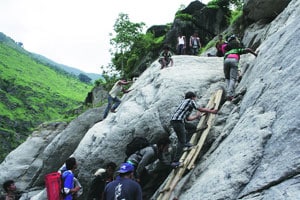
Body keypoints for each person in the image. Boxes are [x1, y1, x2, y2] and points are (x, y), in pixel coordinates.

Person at [170, 91, 218, 167]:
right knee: (181, 141)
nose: (195, 99)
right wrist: (211, 111)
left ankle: (186, 143)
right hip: (178, 122)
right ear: (192, 97)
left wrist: (196, 116)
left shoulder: (185, 104)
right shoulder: (190, 101)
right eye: (195, 97)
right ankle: (175, 162)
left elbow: (188, 119)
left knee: (192, 128)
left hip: (177, 121)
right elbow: (200, 109)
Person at [223, 34, 257, 100]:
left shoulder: (227, 52)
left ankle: (228, 92)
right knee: (233, 78)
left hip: (226, 61)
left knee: (227, 78)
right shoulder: (236, 50)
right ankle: (229, 95)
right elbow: (248, 49)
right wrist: (255, 54)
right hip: (234, 60)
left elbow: (225, 62)